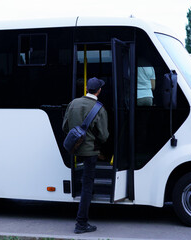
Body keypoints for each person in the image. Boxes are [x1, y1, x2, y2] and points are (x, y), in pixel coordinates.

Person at [62, 77, 109, 234]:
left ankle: (89, 195)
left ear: (86, 89)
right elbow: (103, 136)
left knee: (85, 180)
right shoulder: (99, 108)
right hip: (90, 152)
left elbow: (65, 127)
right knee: (87, 186)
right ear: (99, 90)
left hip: (74, 149)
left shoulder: (73, 103)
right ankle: (81, 223)